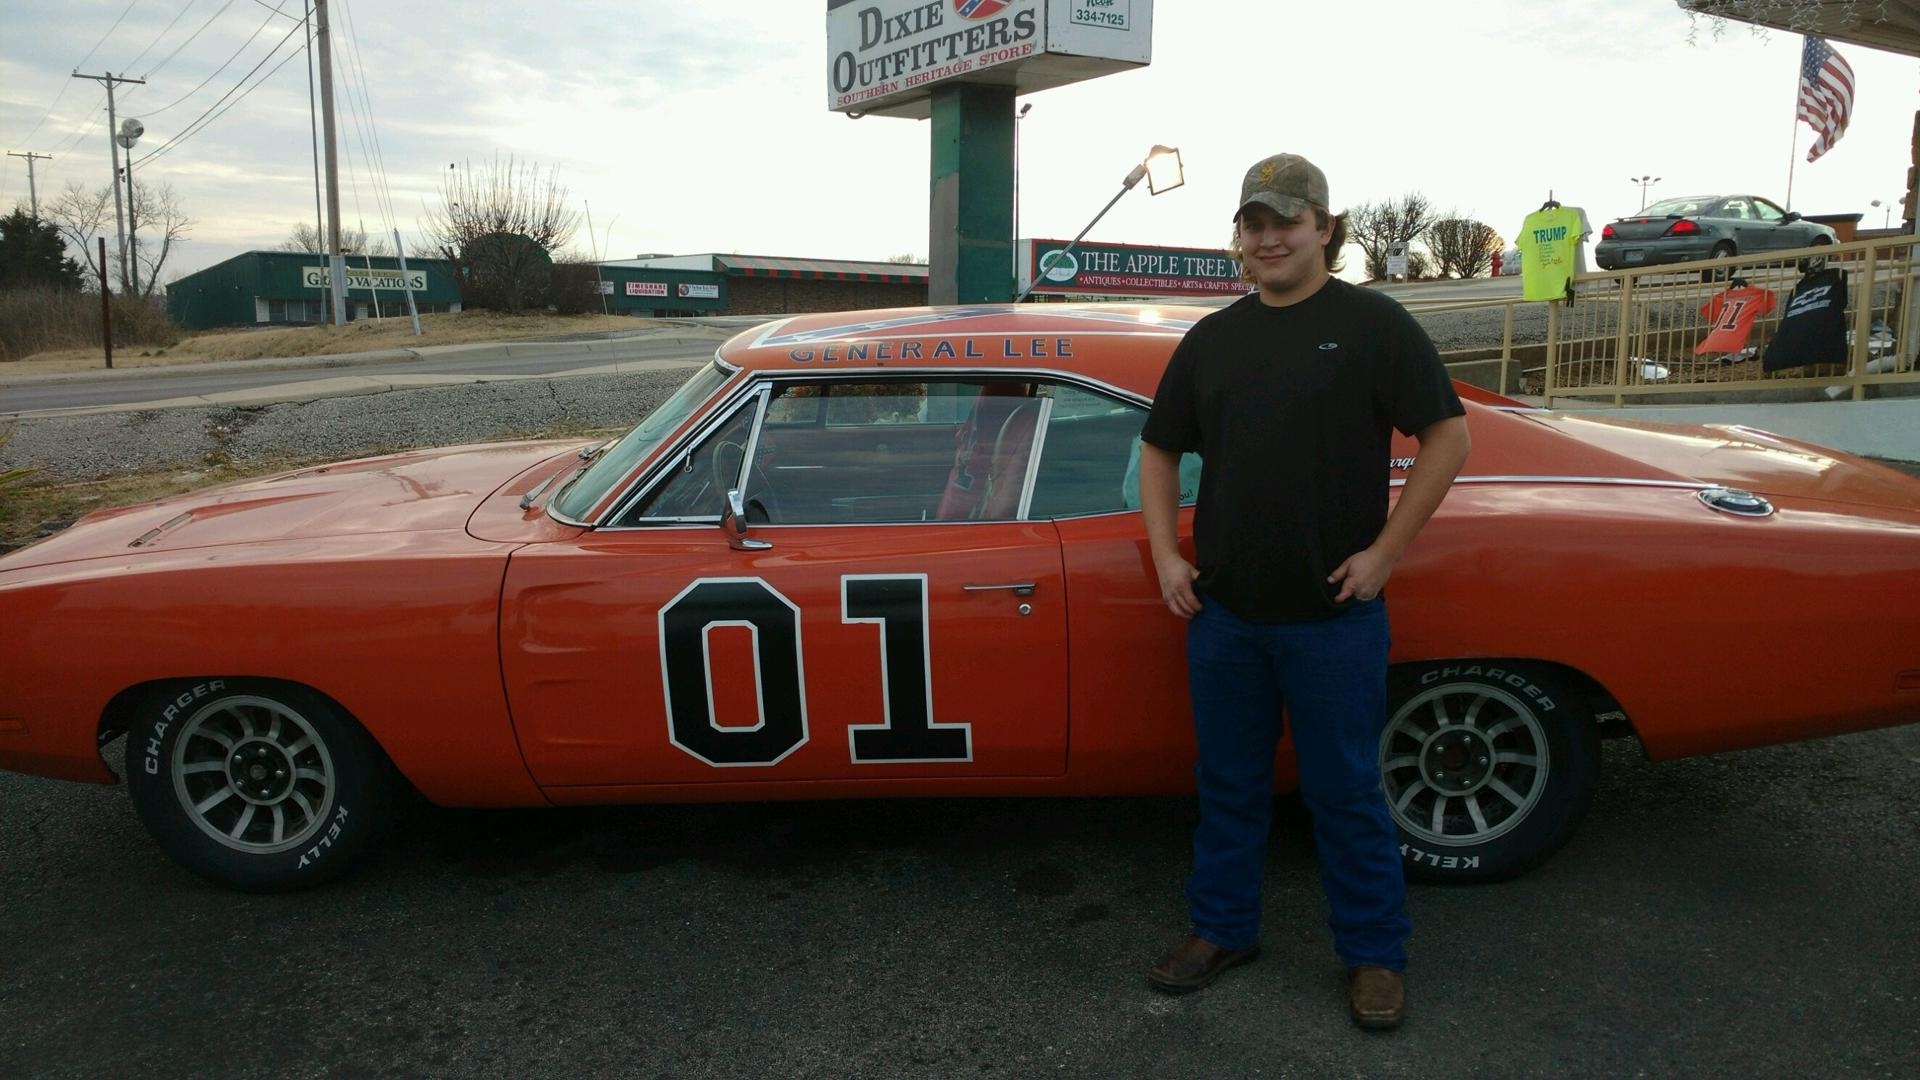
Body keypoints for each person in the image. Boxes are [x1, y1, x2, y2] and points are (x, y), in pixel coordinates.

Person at [1136, 153, 1471, 1030]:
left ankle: (1374, 955)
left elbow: (1448, 437)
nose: (1269, 237)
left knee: (1346, 792)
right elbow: (1159, 448)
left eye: (1287, 220)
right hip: (1226, 615)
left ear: (1325, 227)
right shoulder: (1213, 339)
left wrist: (1387, 553)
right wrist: (1167, 558)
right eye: (1254, 223)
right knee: (1228, 786)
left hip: (1334, 618)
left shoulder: (1373, 325)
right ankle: (1222, 930)